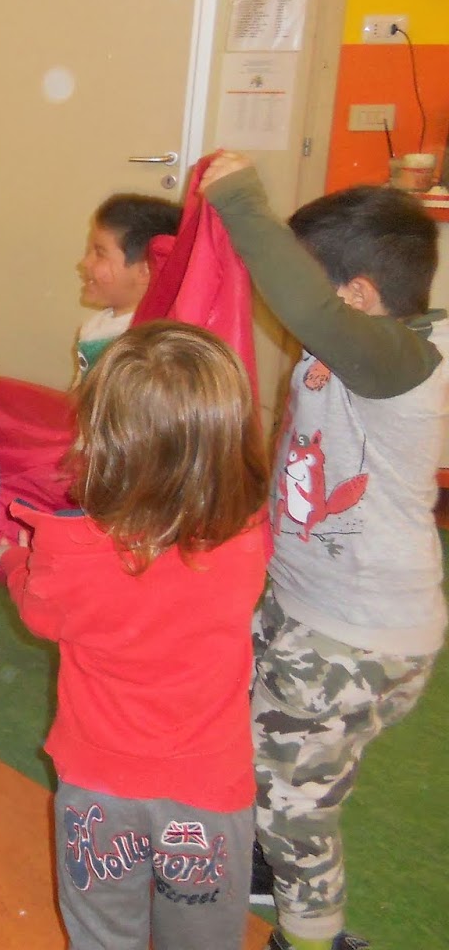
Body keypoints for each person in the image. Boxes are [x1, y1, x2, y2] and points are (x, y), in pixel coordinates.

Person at [203, 152, 447, 950]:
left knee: (294, 799)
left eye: (313, 286)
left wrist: (240, 201)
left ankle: (311, 936)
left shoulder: (405, 364)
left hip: (358, 633)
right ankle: (266, 860)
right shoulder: (352, 350)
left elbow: (305, 305)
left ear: (359, 297)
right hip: (305, 602)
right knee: (259, 739)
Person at [0, 321, 270, 950]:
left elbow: (39, 611)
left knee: (101, 937)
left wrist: (15, 559)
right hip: (208, 793)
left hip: (99, 790)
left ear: (105, 444)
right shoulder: (246, 544)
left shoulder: (69, 553)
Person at [74, 193, 181, 378]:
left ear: (146, 270)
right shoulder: (101, 326)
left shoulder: (145, 350)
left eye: (100, 253)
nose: (85, 263)